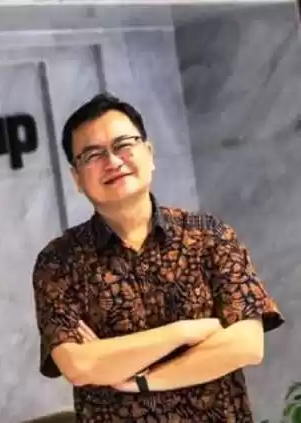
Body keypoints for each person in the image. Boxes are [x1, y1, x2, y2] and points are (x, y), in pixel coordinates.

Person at [32, 93, 284, 422]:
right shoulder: (59, 261)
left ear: (149, 154)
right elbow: (80, 365)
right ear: (77, 178)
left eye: (123, 144)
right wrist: (185, 332)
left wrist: (138, 379)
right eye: (93, 154)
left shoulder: (209, 235)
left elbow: (246, 346)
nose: (113, 161)